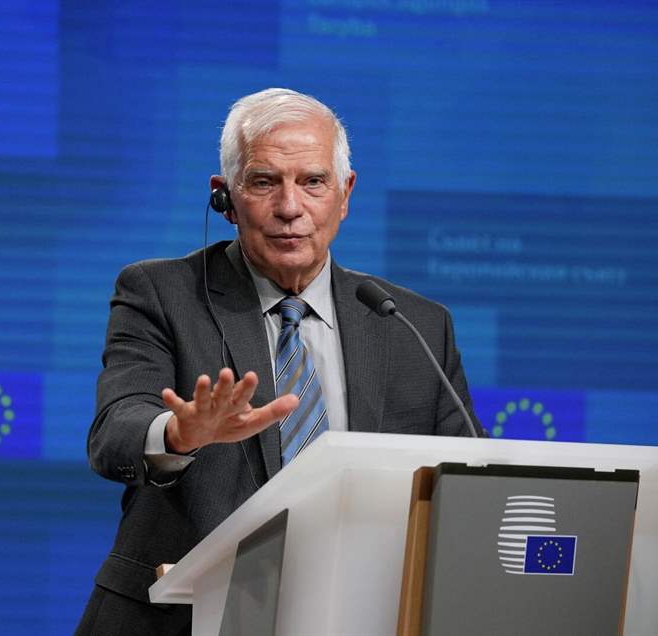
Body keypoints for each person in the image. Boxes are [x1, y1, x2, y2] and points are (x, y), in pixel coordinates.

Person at [76, 88, 485, 635]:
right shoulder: (160, 293)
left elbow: (471, 478)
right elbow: (115, 431)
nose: (290, 208)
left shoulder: (413, 323)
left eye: (313, 182)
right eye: (265, 182)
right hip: (180, 619)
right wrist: (179, 433)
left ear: (345, 193)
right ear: (225, 197)